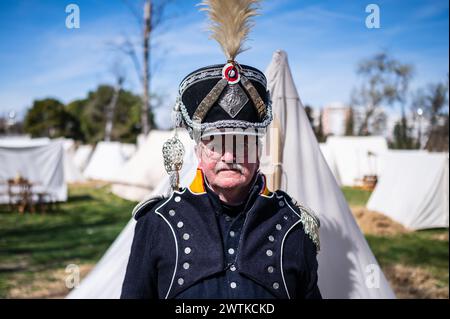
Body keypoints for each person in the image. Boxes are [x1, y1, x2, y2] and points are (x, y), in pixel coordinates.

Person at [121, 0, 321, 299]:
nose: (229, 156)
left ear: (258, 151)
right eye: (215, 144)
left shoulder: (295, 225)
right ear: (198, 152)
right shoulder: (155, 223)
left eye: (241, 143)